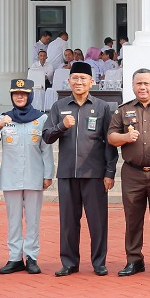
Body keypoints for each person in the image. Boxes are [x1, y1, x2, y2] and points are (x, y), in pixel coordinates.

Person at [41, 61, 117, 276]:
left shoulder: (101, 107)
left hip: (94, 174)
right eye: (75, 78)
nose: (79, 82)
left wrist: (110, 172)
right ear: (69, 81)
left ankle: (99, 262)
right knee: (68, 222)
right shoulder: (59, 107)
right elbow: (46, 136)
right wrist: (61, 126)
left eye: (83, 78)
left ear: (92, 82)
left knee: (97, 221)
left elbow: (109, 142)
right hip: (67, 173)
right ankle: (69, 262)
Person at [109, 68, 150, 277]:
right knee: (133, 218)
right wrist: (125, 138)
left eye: (147, 83)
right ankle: (134, 260)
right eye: (139, 83)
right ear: (132, 86)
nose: (143, 87)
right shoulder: (123, 110)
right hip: (132, 172)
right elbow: (111, 137)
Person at [0, 75, 54, 275]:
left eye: (24, 94)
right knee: (13, 220)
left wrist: (48, 174)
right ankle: (14, 258)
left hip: (34, 175)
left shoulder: (41, 119)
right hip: (11, 176)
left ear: (30, 96)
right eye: (16, 94)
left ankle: (31, 257)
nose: (20, 97)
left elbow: (46, 148)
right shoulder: (5, 118)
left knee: (33, 220)